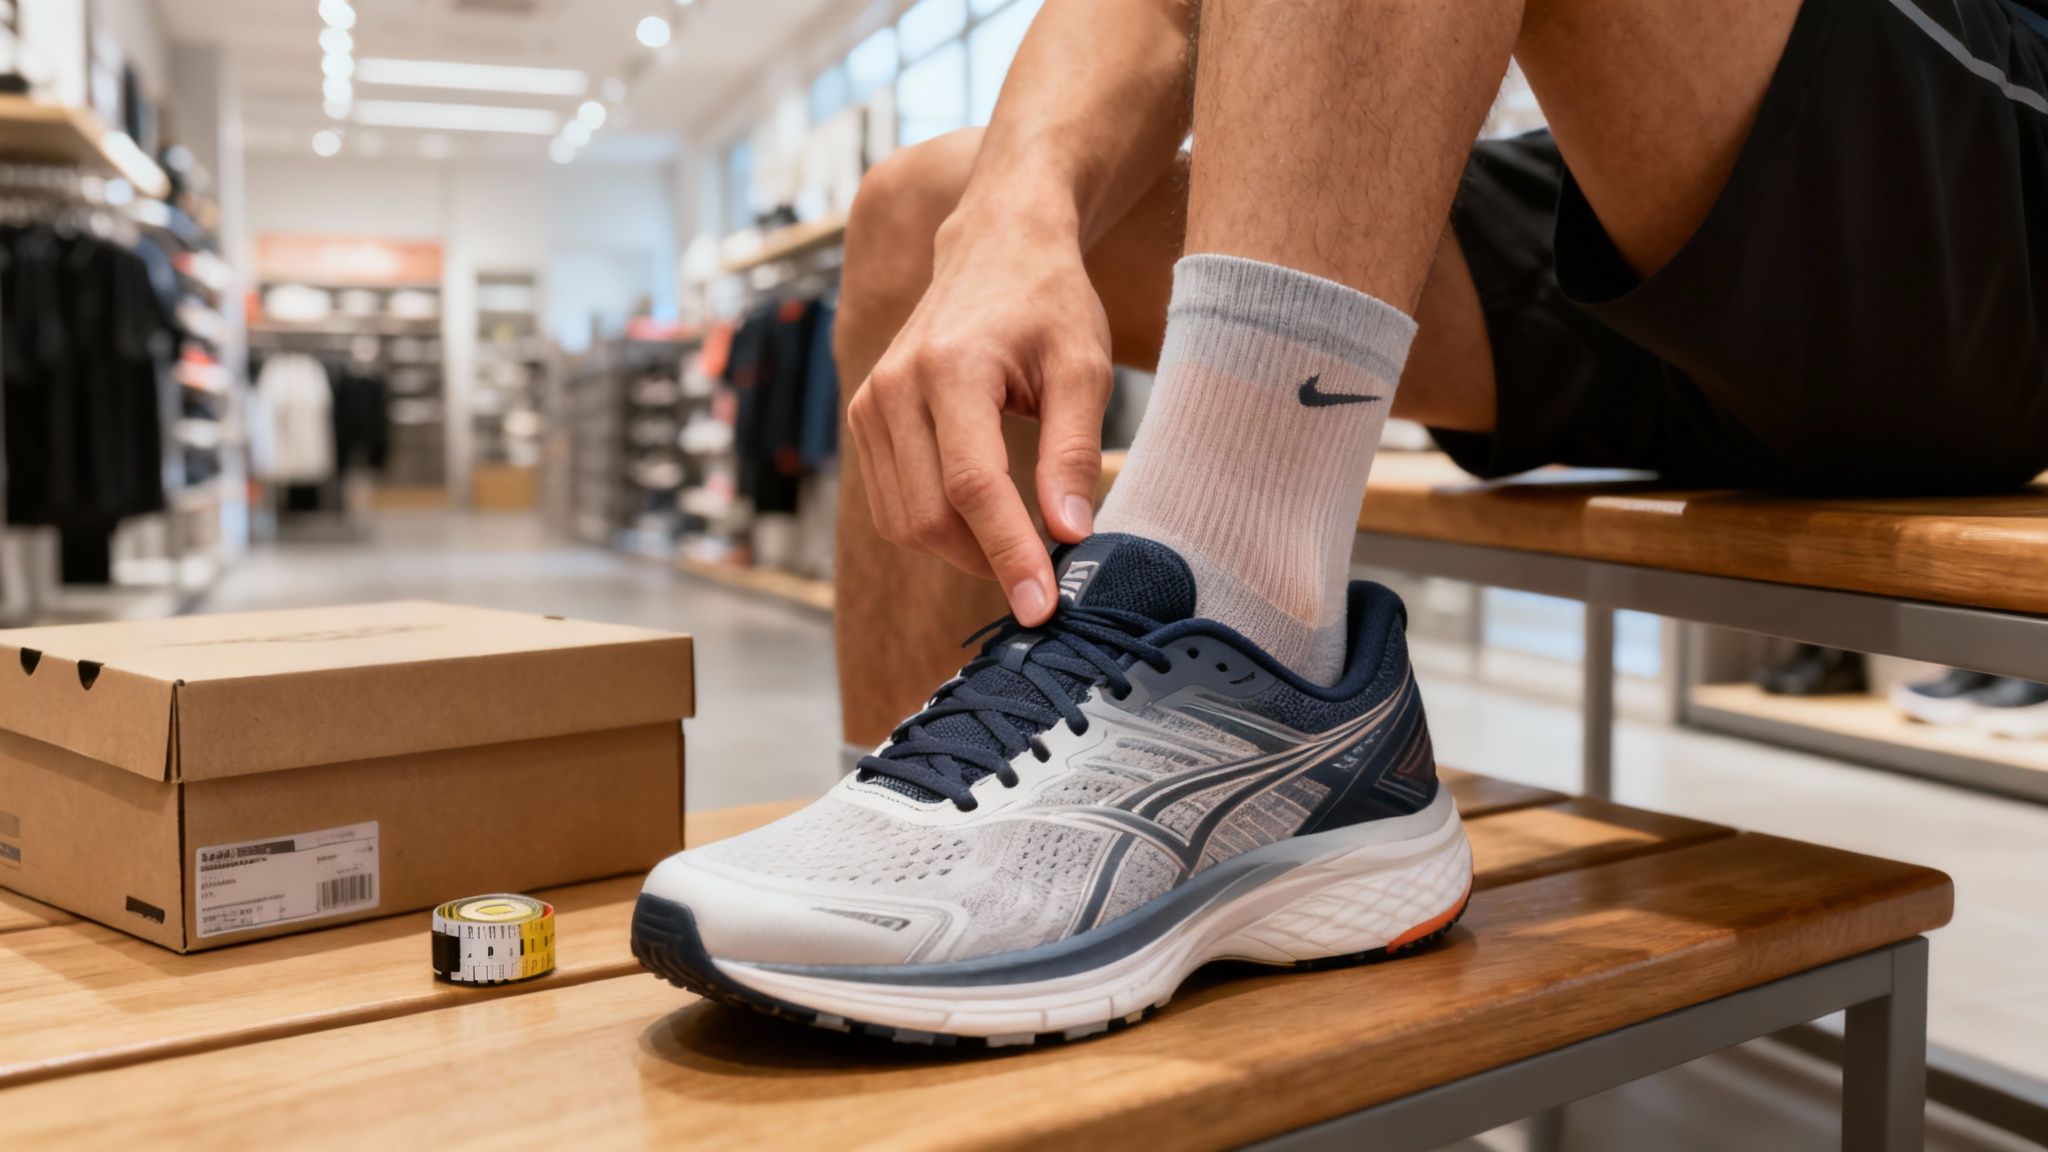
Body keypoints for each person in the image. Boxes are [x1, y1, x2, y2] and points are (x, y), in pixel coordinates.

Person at [629, 0, 2047, 1044]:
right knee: (916, 213)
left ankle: (1247, 620)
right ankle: (937, 822)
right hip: (1648, 206)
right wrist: (1015, 215)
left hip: (1979, 208)